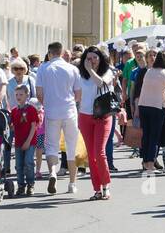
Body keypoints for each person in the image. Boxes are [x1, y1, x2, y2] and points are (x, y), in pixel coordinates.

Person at [34, 43, 83, 194]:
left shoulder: (43, 68)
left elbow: (39, 94)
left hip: (51, 111)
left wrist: (48, 104)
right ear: (61, 53)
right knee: (71, 147)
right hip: (69, 111)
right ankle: (72, 183)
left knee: (52, 146)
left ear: (49, 53)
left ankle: (53, 172)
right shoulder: (73, 68)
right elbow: (78, 94)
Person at [78, 45, 117, 200]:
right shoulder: (80, 74)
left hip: (103, 116)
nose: (92, 61)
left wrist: (90, 70)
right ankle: (97, 189)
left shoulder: (108, 71)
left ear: (100, 58)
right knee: (91, 155)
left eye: (95, 57)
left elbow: (101, 83)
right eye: (89, 58)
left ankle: (106, 185)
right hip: (85, 116)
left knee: (100, 153)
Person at [136, 51, 165, 176]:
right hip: (156, 107)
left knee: (146, 135)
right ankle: (150, 164)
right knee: (154, 136)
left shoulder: (149, 71)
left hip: (143, 105)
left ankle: (145, 161)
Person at [10, 84, 40, 195]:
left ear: (27, 95)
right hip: (18, 141)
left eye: (21, 94)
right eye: (17, 94)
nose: (18, 96)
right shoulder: (14, 111)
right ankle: (21, 185)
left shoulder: (31, 109)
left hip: (30, 141)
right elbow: (12, 126)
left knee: (28, 162)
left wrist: (28, 141)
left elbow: (33, 126)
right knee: (19, 165)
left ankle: (30, 184)